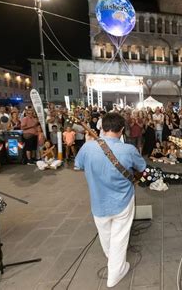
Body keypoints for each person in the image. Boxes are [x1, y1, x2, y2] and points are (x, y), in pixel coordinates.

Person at [75, 113, 146, 288]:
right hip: (123, 200)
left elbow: (78, 165)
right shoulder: (128, 149)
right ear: (122, 130)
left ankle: (113, 260)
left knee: (106, 235)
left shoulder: (87, 148)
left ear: (102, 127)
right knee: (119, 237)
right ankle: (115, 273)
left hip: (98, 201)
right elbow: (142, 167)